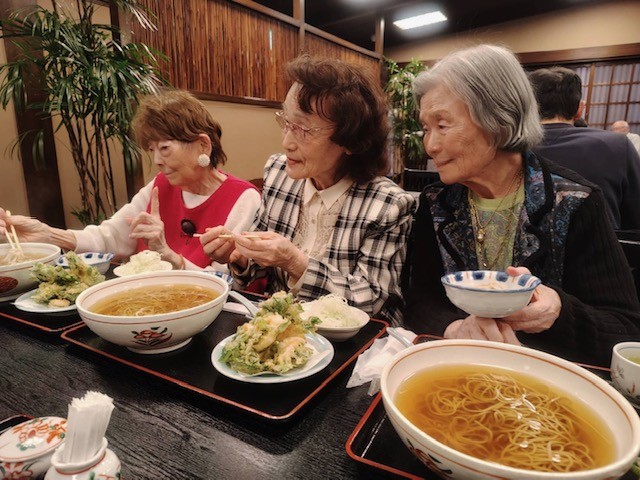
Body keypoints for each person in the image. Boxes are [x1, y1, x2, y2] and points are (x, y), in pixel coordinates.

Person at [403, 44, 640, 366]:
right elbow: (419, 301)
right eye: (426, 128)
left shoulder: (573, 202)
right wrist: (454, 328)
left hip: (542, 377)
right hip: (459, 369)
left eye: (442, 125)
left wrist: (559, 311)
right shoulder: (436, 203)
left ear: (499, 119)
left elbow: (625, 329)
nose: (430, 145)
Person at [201, 55, 416, 325]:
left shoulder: (388, 204)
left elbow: (373, 300)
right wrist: (241, 257)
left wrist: (296, 262)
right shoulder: (279, 173)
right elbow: (259, 260)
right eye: (286, 122)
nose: (287, 142)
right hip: (278, 328)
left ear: (351, 140)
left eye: (303, 129)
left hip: (350, 341)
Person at [0, 90, 260, 271]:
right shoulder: (159, 185)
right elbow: (110, 237)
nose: (156, 160)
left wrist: (167, 254)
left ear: (203, 144)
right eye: (151, 149)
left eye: (165, 148)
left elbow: (228, 282)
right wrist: (49, 235)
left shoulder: (243, 198)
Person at [529, 67, 640, 230]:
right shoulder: (617, 145)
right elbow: (635, 218)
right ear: (580, 109)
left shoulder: (509, 148)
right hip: (599, 244)